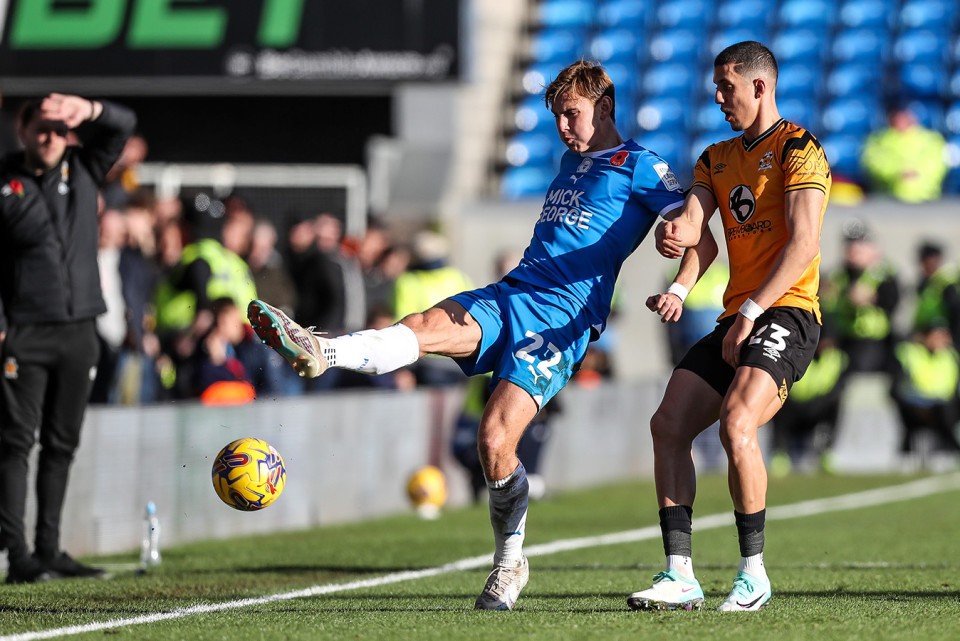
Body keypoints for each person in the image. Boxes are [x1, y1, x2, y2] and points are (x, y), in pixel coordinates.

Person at [247, 60, 686, 610]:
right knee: (421, 327)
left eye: (571, 115)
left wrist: (683, 268)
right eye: (556, 118)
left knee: (494, 440)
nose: (563, 129)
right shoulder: (570, 161)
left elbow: (693, 222)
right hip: (511, 292)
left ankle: (510, 562)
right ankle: (323, 349)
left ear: (606, 108)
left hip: (559, 319)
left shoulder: (643, 166)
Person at [631, 41, 830, 612]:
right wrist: (677, 262)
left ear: (760, 87)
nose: (718, 98)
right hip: (736, 317)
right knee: (667, 424)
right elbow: (697, 224)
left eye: (727, 87)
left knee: (738, 422)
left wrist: (748, 313)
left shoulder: (800, 148)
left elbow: (805, 244)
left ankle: (754, 574)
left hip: (787, 312)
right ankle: (680, 575)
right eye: (716, 88)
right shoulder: (714, 157)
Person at [0, 93, 136, 582]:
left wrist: (91, 110)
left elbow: (124, 124)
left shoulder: (82, 168)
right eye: (42, 128)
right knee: (15, 443)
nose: (51, 138)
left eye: (60, 130)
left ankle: (51, 549)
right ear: (23, 127)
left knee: (62, 444)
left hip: (80, 331)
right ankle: (19, 558)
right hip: (25, 332)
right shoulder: (5, 181)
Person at [821, 221, 900, 375]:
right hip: (841, 338)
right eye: (849, 244)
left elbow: (893, 301)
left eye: (858, 245)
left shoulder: (883, 273)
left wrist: (872, 298)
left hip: (872, 340)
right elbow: (827, 305)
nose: (853, 250)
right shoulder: (837, 275)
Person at [890, 322, 960, 469]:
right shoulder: (908, 353)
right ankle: (909, 452)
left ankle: (946, 450)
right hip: (915, 405)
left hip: (945, 406)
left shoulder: (951, 356)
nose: (941, 341)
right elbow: (897, 388)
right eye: (936, 336)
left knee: (946, 412)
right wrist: (920, 402)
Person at [860, 103, 947, 203]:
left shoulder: (932, 139)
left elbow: (937, 164)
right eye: (898, 116)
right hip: (888, 201)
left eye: (905, 116)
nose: (902, 120)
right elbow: (874, 162)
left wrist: (917, 174)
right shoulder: (878, 140)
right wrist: (897, 172)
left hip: (927, 200)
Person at [912, 241, 960, 347]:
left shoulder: (946, 283)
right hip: (925, 335)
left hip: (942, 336)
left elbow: (955, 312)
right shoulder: (924, 282)